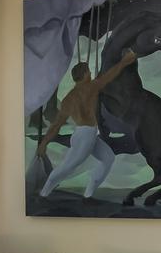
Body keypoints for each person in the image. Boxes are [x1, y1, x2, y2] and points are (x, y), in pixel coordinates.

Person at [34, 49, 139, 198]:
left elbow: (56, 125)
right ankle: (45, 192)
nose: (90, 74)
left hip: (82, 134)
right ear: (84, 75)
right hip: (86, 136)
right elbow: (109, 76)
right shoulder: (91, 87)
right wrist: (125, 61)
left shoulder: (68, 99)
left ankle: (88, 193)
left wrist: (44, 143)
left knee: (108, 158)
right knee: (68, 167)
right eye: (88, 72)